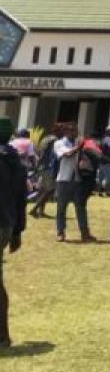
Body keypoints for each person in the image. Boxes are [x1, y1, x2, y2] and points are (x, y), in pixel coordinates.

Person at [1, 117, 28, 348]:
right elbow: (21, 199)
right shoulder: (16, 161)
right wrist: (18, 231)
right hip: (6, 224)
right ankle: (3, 335)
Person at [53, 122, 96, 243]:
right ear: (66, 132)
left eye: (76, 131)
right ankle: (60, 232)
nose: (74, 133)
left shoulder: (79, 143)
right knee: (61, 208)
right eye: (72, 131)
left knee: (81, 207)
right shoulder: (59, 143)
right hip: (64, 179)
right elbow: (67, 154)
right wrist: (79, 148)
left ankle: (85, 233)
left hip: (78, 180)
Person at [27, 126, 59, 219]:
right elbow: (53, 155)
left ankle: (41, 211)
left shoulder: (45, 138)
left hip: (42, 166)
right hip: (48, 167)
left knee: (43, 190)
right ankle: (34, 209)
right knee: (49, 190)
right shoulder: (54, 140)